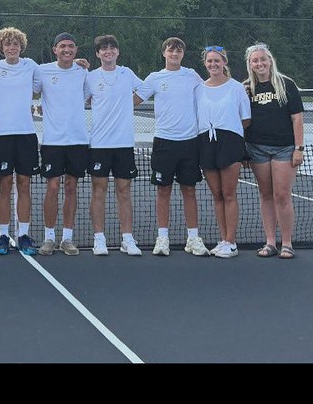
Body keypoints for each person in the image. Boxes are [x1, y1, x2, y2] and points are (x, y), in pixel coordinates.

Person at [135, 37, 210, 257]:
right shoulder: (154, 78)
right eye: (171, 50)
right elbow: (133, 99)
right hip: (164, 142)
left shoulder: (192, 76)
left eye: (178, 51)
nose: (174, 54)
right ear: (164, 53)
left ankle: (193, 238)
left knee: (189, 190)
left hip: (189, 142)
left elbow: (210, 94)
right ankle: (163, 238)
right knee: (163, 190)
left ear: (183, 55)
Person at [84, 35, 147, 256]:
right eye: (104, 49)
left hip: (124, 144)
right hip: (99, 144)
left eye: (112, 48)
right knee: (98, 192)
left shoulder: (127, 74)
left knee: (124, 191)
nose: (108, 52)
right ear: (98, 54)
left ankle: (127, 239)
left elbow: (146, 91)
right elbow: (79, 99)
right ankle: (99, 238)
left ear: (117, 52)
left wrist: (126, 104)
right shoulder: (90, 78)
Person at [244, 42, 306, 259]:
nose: (259, 63)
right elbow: (242, 120)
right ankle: (270, 242)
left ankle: (287, 243)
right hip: (257, 149)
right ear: (250, 65)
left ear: (270, 61)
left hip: (284, 149)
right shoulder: (246, 88)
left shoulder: (286, 85)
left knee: (282, 195)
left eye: (263, 59)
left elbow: (297, 118)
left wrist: (299, 148)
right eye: (255, 60)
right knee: (265, 194)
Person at [0, 26, 41, 255]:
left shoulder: (31, 66)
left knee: (25, 185)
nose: (12, 47)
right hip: (3, 135)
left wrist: (78, 63)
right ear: (1, 47)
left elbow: (42, 86)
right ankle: (4, 235)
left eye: (15, 44)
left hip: (27, 135)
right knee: (5, 186)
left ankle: (24, 235)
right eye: (8, 44)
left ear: (21, 47)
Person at [34, 33, 91, 256]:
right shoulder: (42, 71)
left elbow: (87, 97)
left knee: (71, 188)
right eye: (62, 46)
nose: (67, 50)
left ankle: (67, 238)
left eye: (71, 46)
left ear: (75, 50)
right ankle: (49, 238)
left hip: (77, 141)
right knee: (53, 187)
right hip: (52, 141)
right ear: (54, 49)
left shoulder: (83, 72)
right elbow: (30, 90)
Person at [197, 45, 251, 258]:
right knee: (217, 195)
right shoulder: (198, 88)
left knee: (229, 194)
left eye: (217, 61)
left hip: (230, 143)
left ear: (224, 63)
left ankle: (231, 241)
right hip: (206, 143)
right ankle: (223, 240)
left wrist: (230, 132)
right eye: (210, 61)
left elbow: (246, 119)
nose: (213, 64)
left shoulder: (237, 88)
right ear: (205, 64)